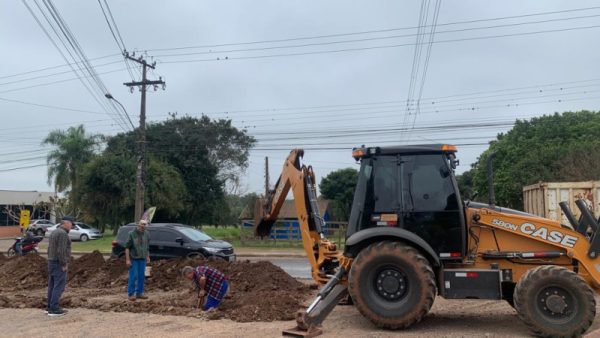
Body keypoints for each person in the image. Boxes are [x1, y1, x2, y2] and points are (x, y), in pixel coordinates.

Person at [47, 215, 74, 317]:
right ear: (66, 223)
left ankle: (49, 306)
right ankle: (54, 308)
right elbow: (61, 251)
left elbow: (50, 249)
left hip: (51, 261)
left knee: (52, 285)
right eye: (71, 223)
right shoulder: (62, 234)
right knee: (59, 286)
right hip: (58, 263)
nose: (72, 226)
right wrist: (64, 264)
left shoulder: (54, 232)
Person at [125, 219, 150, 301]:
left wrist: (147, 256)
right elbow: (127, 248)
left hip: (142, 258)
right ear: (138, 225)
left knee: (141, 276)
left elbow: (147, 247)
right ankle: (131, 294)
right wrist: (128, 260)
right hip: (134, 258)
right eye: (142, 224)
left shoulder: (146, 234)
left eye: (145, 225)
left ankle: (139, 293)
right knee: (134, 275)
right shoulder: (131, 234)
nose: (143, 226)